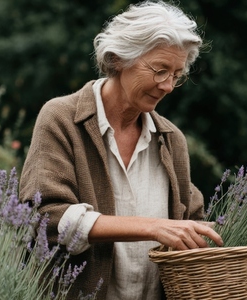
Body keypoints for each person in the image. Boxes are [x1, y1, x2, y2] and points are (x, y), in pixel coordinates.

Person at [19, 1, 223, 299]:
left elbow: (191, 224)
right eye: (160, 70)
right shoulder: (62, 118)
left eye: (177, 75)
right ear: (118, 60)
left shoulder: (171, 139)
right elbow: (46, 218)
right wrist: (153, 227)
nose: (167, 86)